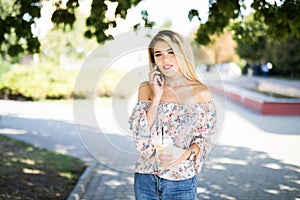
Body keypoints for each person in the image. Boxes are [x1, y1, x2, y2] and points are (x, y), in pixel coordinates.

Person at [129, 30, 217, 200]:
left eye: (171, 52)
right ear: (153, 59)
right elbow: (139, 135)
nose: (165, 60)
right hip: (146, 179)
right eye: (158, 54)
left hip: (181, 181)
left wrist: (185, 153)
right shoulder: (146, 89)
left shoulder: (200, 92)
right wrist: (156, 98)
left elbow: (205, 138)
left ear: (181, 54)